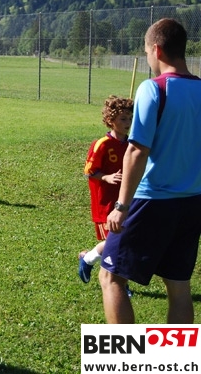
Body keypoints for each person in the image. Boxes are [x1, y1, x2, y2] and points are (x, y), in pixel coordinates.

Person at [103, 18, 201, 324]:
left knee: (111, 277)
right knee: (179, 289)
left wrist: (121, 206)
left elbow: (136, 150)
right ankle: (178, 355)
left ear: (156, 50)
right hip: (192, 203)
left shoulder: (153, 88)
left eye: (146, 52)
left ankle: (122, 355)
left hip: (152, 201)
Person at [79, 95, 133, 287]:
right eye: (123, 119)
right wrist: (106, 177)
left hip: (127, 200)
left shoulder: (132, 144)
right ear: (111, 120)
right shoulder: (102, 144)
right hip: (106, 203)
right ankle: (90, 261)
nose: (127, 123)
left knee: (124, 241)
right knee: (115, 243)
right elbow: (89, 170)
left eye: (130, 118)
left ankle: (88, 258)